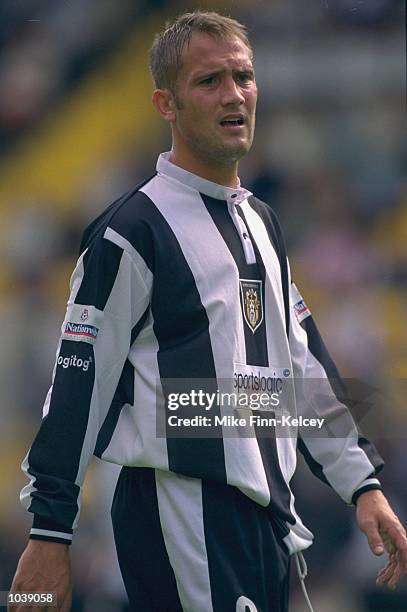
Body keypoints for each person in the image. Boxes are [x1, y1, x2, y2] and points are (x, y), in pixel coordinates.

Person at [9, 10, 407, 612]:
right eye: (209, 81)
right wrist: (49, 533)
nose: (234, 94)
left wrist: (363, 485)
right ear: (165, 104)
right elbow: (78, 383)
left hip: (266, 523)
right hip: (181, 517)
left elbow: (301, 368)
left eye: (243, 76)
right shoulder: (133, 231)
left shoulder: (261, 222)